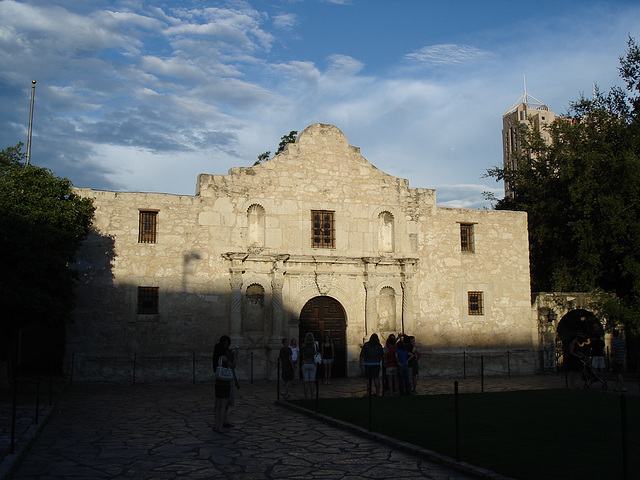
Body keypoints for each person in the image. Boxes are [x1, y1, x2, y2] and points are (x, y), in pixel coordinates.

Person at [213, 335, 235, 433]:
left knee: (217, 405)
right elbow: (233, 366)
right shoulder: (224, 358)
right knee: (223, 406)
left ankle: (216, 426)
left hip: (218, 383)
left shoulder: (216, 358)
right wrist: (236, 356)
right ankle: (220, 427)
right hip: (225, 383)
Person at [300, 332, 318, 399]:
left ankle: (306, 396)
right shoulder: (315, 345)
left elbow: (302, 354)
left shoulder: (303, 345)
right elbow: (316, 353)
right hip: (312, 363)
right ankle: (312, 396)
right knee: (312, 382)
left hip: (305, 363)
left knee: (306, 381)